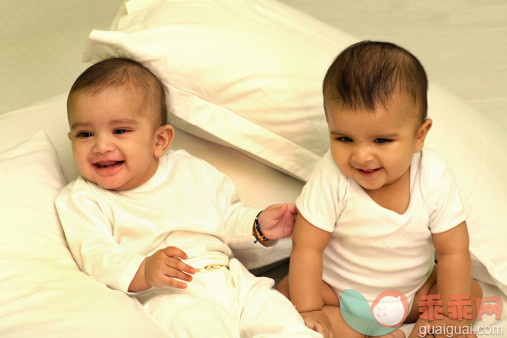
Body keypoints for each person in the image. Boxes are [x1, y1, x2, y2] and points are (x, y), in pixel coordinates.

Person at [56, 57, 320, 337]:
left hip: (231, 279)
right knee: (198, 324)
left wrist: (258, 225)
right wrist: (144, 270)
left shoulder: (189, 169)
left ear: (159, 141)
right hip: (167, 294)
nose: (101, 146)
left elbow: (227, 216)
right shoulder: (83, 199)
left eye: (120, 130)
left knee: (280, 315)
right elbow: (97, 256)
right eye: (85, 133)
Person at [276, 41, 482, 338]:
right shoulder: (332, 175)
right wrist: (310, 309)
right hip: (341, 296)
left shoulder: (433, 173)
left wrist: (452, 315)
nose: (361, 156)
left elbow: (452, 251)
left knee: (468, 290)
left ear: (419, 135)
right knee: (289, 296)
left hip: (411, 296)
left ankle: (433, 327)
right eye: (344, 139)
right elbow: (307, 246)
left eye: (381, 141)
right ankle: (368, 331)